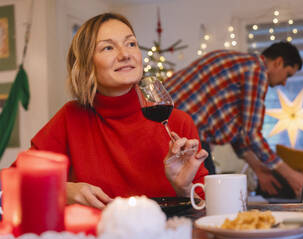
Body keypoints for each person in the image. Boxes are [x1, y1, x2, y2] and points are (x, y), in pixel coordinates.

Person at [16, 13, 208, 209]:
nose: (125, 54)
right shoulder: (70, 118)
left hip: (166, 238)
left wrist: (184, 188)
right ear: (85, 64)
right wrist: (61, 190)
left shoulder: (178, 122)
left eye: (131, 44)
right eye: (108, 47)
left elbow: (206, 209)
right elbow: (13, 182)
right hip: (95, 238)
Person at [164, 42, 303, 198]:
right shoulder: (256, 71)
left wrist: (258, 169)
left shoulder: (241, 64)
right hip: (180, 129)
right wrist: (291, 175)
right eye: (288, 74)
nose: (285, 83)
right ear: (278, 62)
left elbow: (239, 133)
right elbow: (252, 134)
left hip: (170, 125)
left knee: (204, 193)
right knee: (206, 196)